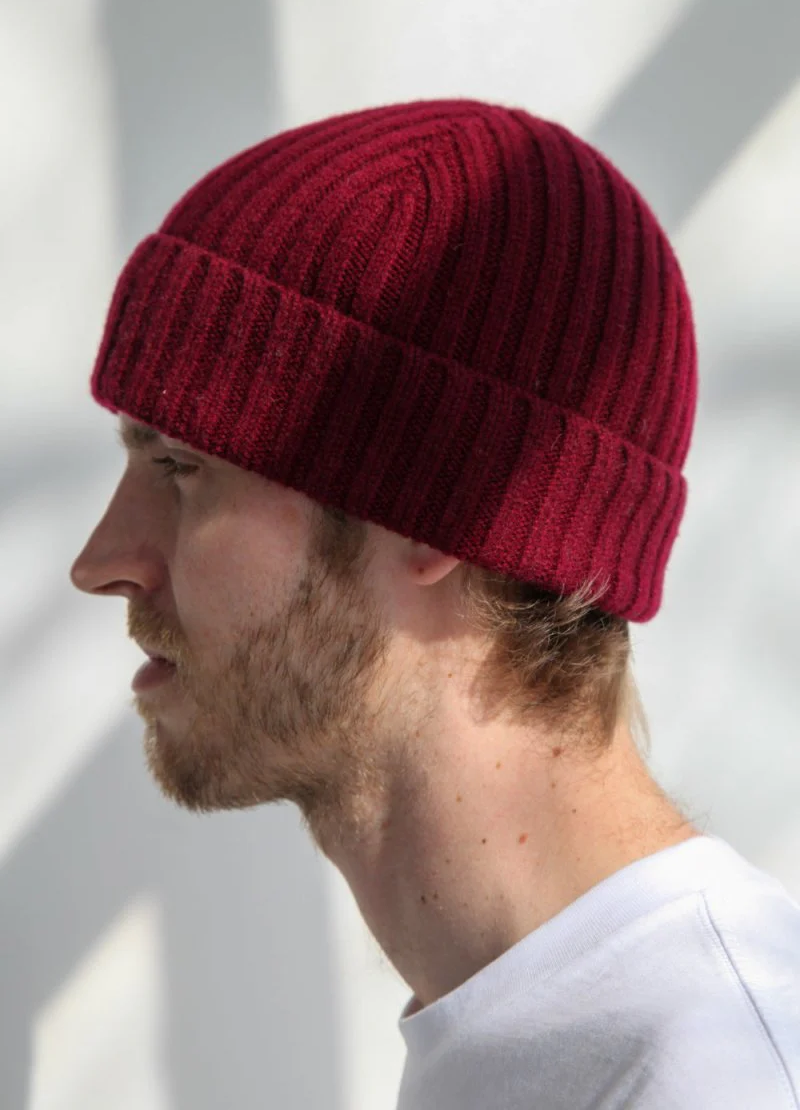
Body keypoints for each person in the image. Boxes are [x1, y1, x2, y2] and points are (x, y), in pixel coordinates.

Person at [70, 99, 800, 1109]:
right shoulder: (542, 1039)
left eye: (181, 467)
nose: (103, 562)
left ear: (446, 513)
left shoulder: (713, 1075)